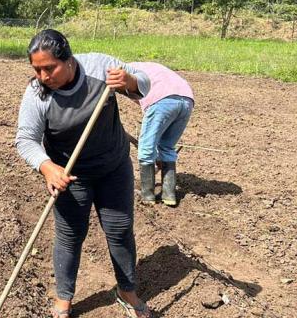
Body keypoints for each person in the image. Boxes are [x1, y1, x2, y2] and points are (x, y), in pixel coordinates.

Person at [15, 29, 152, 318]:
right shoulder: (37, 93)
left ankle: (126, 290)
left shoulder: (100, 67)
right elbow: (26, 139)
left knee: (119, 229)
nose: (42, 76)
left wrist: (129, 81)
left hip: (113, 167)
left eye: (48, 68)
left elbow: (145, 84)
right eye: (36, 69)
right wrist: (47, 167)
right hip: (69, 173)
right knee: (70, 234)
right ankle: (64, 297)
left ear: (69, 60)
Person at [128, 61, 194, 206]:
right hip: (187, 99)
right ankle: (169, 195)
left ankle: (148, 196)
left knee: (146, 147)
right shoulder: (149, 66)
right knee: (167, 147)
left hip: (162, 99)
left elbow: (138, 97)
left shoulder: (126, 72)